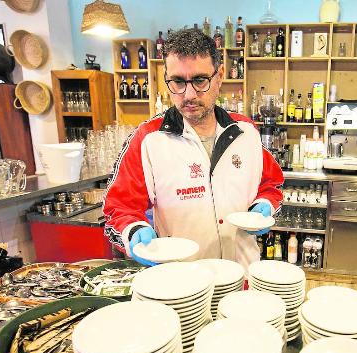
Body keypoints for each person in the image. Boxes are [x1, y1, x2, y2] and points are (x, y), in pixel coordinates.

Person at [103, 28, 284, 269]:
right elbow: (119, 208)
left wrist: (265, 206)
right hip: (182, 285)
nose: (188, 94)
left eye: (200, 80)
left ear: (219, 76)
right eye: (177, 81)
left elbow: (272, 185)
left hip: (243, 276)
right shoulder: (148, 139)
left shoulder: (246, 131)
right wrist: (134, 230)